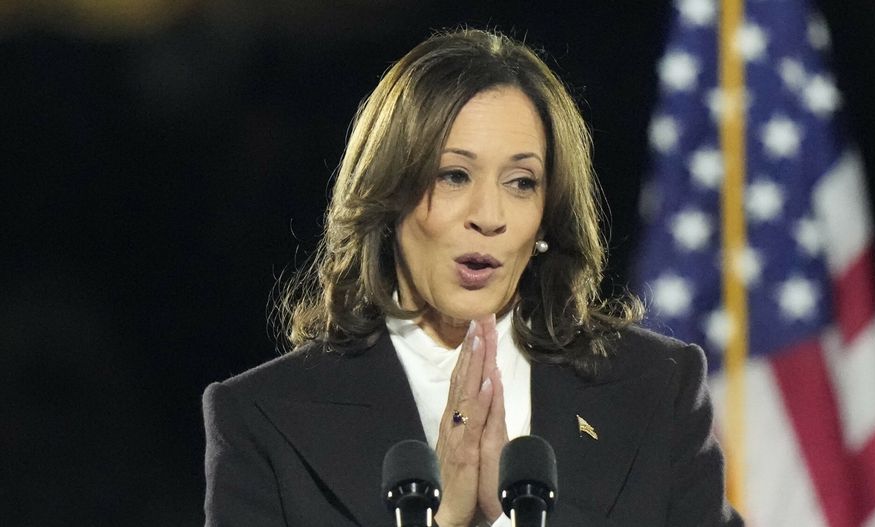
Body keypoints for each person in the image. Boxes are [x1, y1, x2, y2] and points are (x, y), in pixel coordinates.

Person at [202, 28, 743, 527]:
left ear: (547, 218)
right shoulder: (264, 420)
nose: (489, 214)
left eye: (521, 182)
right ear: (389, 195)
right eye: (454, 175)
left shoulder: (655, 389)